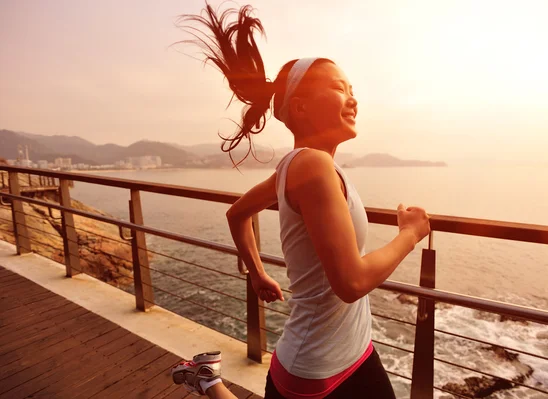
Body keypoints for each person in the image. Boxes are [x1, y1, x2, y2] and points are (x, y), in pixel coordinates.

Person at [173, 3, 431, 398]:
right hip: (316, 372)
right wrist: (410, 235)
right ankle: (208, 381)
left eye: (352, 91)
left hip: (355, 353)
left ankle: (206, 378)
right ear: (301, 107)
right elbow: (351, 282)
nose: (352, 100)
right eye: (339, 89)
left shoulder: (300, 167)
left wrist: (257, 273)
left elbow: (237, 213)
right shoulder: (311, 166)